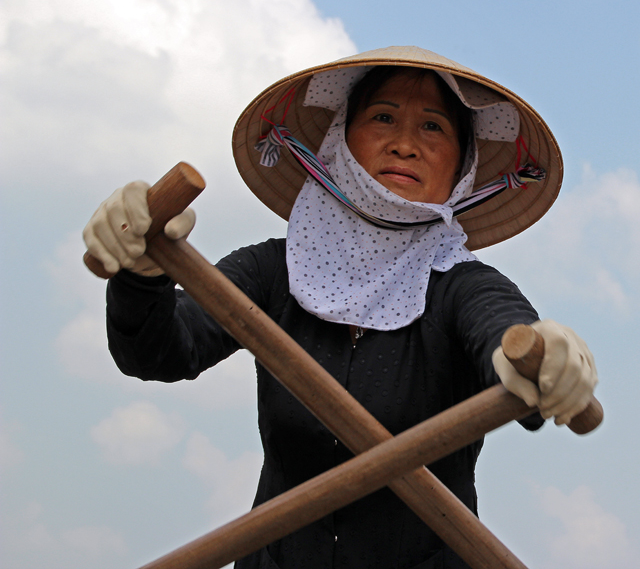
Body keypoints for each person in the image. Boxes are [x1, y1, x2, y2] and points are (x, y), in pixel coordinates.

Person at [83, 46, 598, 569]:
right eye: (383, 117)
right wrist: (142, 275)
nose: (404, 144)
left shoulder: (463, 286)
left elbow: (507, 339)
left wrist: (541, 355)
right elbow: (161, 351)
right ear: (340, 142)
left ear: (462, 166)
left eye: (433, 128)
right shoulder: (273, 270)